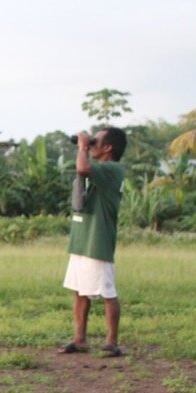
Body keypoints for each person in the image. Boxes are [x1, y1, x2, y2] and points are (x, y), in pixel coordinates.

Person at [59, 127, 126, 358]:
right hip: (82, 237)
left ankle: (112, 342)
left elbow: (82, 168)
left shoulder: (113, 169)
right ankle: (79, 339)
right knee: (79, 291)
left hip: (98, 239)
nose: (91, 143)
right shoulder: (101, 169)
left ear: (108, 148)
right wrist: (84, 147)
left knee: (107, 292)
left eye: (96, 140)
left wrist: (81, 146)